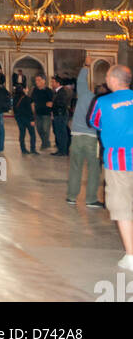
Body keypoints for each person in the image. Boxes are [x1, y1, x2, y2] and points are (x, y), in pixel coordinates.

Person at [90, 64, 133, 271]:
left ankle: (131, 256)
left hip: (118, 161)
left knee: (122, 207)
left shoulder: (103, 102)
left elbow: (95, 123)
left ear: (114, 80)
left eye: (107, 76)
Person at [67, 64, 102, 208]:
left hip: (76, 136)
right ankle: (91, 199)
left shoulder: (84, 94)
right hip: (92, 138)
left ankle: (71, 197)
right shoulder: (103, 102)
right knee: (94, 169)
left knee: (75, 167)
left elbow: (80, 80)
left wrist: (86, 66)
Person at [31, 73, 54, 151]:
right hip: (38, 113)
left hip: (46, 114)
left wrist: (47, 105)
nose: (37, 82)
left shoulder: (48, 91)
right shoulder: (35, 90)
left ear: (44, 81)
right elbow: (33, 101)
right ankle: (46, 142)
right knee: (39, 129)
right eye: (36, 80)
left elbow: (51, 103)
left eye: (39, 80)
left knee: (45, 129)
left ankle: (44, 144)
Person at [13, 85, 37, 155]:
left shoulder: (15, 98)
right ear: (23, 90)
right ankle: (33, 149)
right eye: (26, 88)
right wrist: (32, 119)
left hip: (19, 119)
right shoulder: (27, 98)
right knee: (32, 134)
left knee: (22, 134)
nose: (27, 89)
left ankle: (23, 149)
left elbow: (14, 109)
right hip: (28, 119)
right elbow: (30, 110)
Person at [51, 75, 72, 156]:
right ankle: (61, 149)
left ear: (58, 83)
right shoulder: (57, 91)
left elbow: (62, 103)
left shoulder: (62, 91)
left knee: (61, 133)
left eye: (53, 82)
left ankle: (63, 151)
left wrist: (52, 105)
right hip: (58, 114)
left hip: (61, 114)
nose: (51, 84)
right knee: (58, 132)